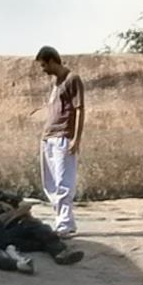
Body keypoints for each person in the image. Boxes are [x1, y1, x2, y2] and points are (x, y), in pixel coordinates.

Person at [0, 160, 83, 267]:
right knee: (30, 226)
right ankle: (58, 249)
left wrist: (11, 208)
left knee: (34, 228)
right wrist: (14, 213)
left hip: (1, 227)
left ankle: (58, 251)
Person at [36, 46, 84, 236]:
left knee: (64, 182)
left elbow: (80, 109)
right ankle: (62, 221)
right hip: (48, 138)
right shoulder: (55, 82)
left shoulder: (73, 79)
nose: (43, 70)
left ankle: (65, 224)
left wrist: (76, 139)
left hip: (64, 136)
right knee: (50, 184)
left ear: (52, 61)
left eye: (43, 65)